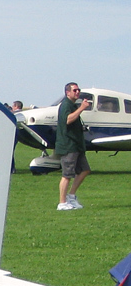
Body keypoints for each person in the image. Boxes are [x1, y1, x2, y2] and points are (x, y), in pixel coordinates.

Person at [56, 82, 91, 210]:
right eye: (75, 90)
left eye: (78, 90)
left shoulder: (72, 105)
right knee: (67, 175)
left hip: (77, 145)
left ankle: (71, 196)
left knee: (85, 170)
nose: (77, 92)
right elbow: (67, 120)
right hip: (68, 145)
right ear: (67, 92)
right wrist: (81, 108)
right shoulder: (66, 105)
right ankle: (62, 203)